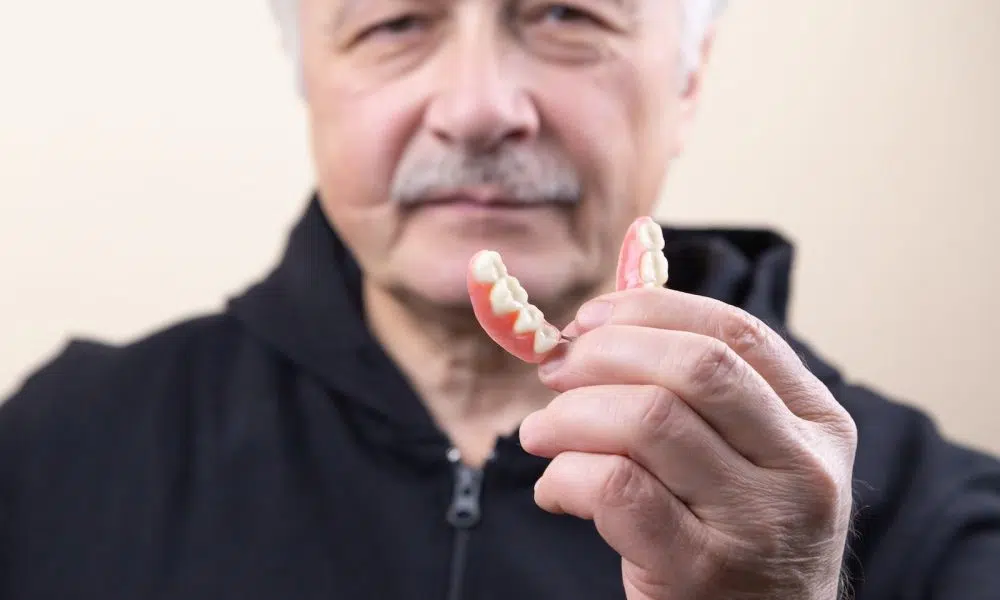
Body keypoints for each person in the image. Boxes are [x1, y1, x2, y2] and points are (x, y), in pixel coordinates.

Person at [1, 0, 998, 598]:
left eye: (567, 13)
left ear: (688, 83)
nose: (479, 107)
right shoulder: (51, 455)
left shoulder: (941, 525)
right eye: (395, 20)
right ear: (313, 79)